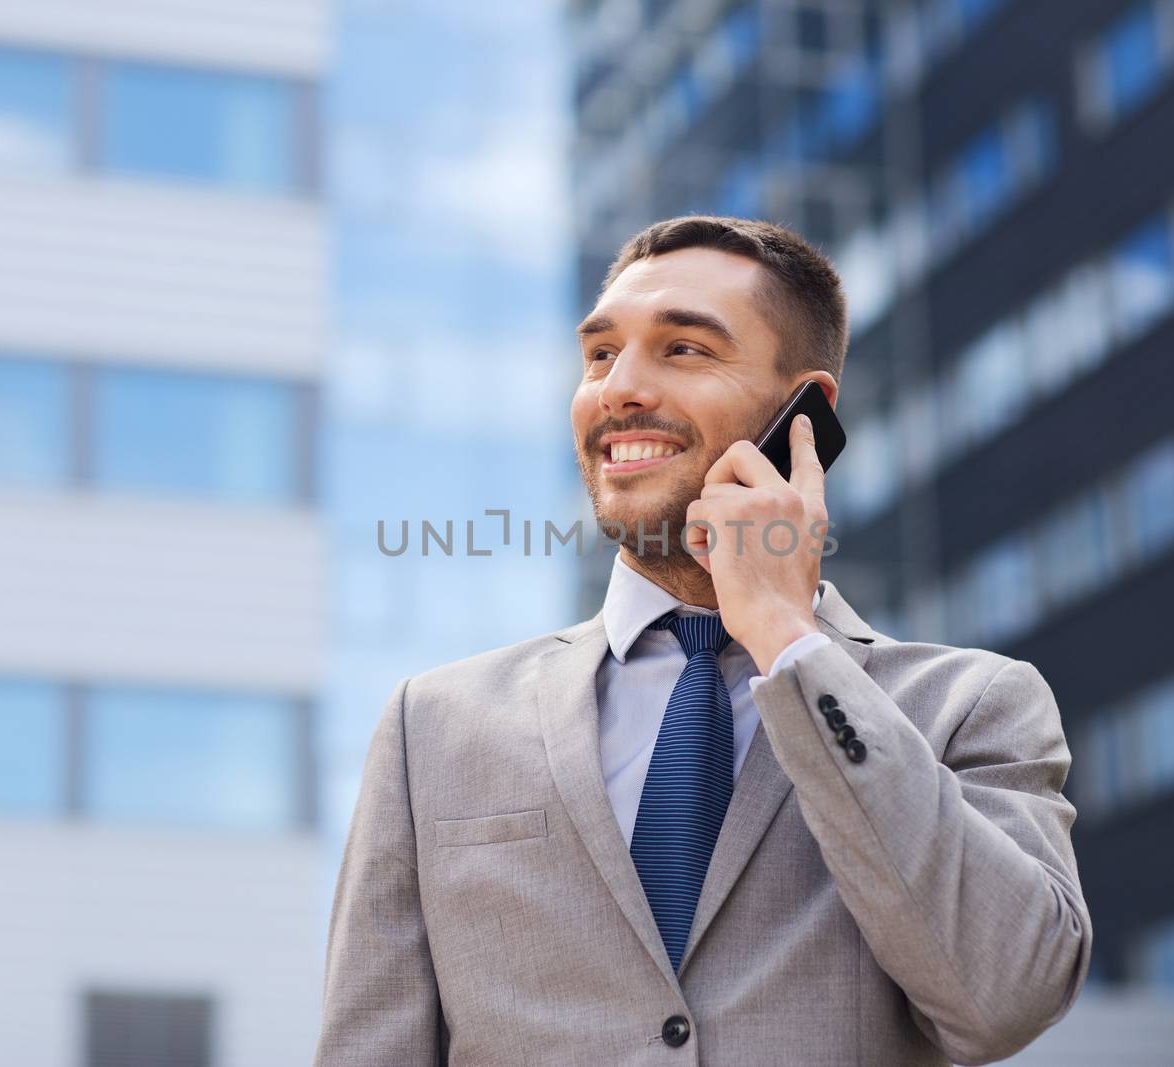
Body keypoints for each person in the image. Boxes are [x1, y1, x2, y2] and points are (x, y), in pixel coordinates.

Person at [313, 216, 1091, 1065]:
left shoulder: (969, 706)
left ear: (807, 415)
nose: (618, 389)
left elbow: (1006, 996)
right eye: (601, 354)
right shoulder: (432, 727)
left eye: (683, 348)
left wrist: (790, 642)